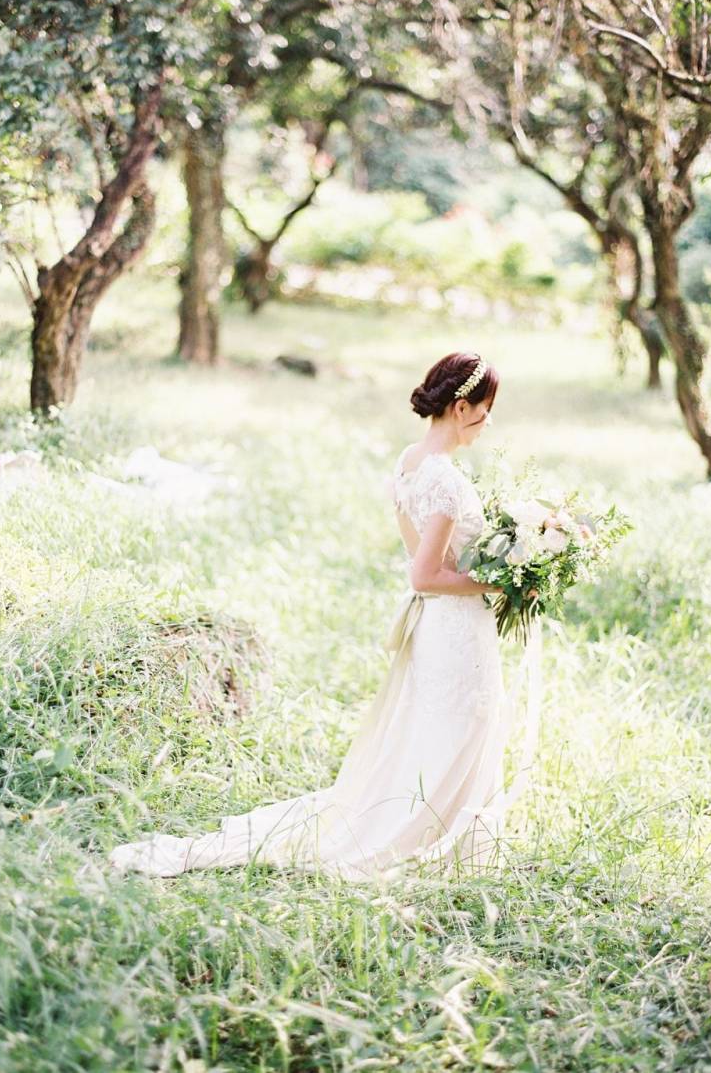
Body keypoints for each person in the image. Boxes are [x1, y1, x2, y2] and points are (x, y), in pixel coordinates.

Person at [108, 352, 521, 884]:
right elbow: (425, 576)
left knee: (438, 728)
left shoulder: (410, 461)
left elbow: (419, 554)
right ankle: (440, 837)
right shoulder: (448, 481)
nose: (488, 423)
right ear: (462, 408)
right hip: (455, 625)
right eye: (486, 411)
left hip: (438, 629)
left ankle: (447, 829)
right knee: (462, 724)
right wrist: (506, 580)